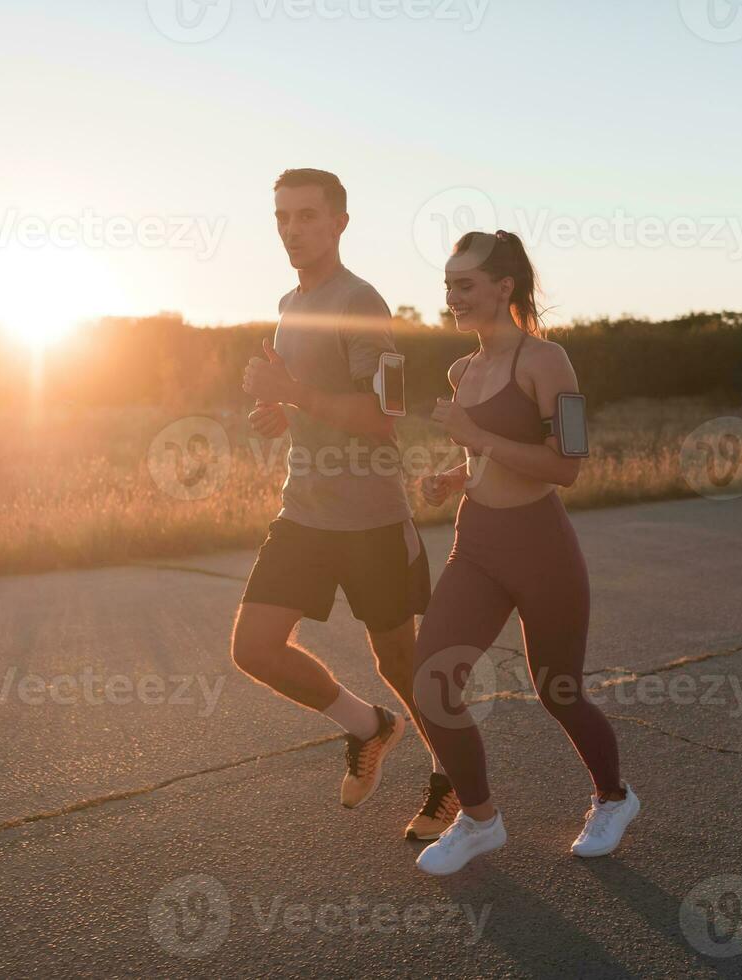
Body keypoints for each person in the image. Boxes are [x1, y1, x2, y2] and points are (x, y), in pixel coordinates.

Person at [233, 168, 457, 841]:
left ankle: (453, 779)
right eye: (282, 217)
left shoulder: (361, 301)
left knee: (398, 660)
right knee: (254, 647)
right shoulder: (289, 302)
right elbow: (308, 400)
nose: (293, 230)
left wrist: (293, 391)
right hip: (303, 509)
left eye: (307, 216)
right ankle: (369, 726)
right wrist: (278, 409)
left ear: (340, 223)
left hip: (370, 519)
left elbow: (385, 414)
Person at [410, 230, 639, 876]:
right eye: (448, 285)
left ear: (503, 287)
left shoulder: (548, 362)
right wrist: (452, 476)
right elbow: (483, 459)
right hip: (476, 543)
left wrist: (475, 434)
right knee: (432, 679)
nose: (451, 297)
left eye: (464, 285)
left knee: (558, 689)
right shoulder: (461, 370)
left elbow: (566, 467)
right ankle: (479, 819)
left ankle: (613, 799)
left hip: (540, 547)